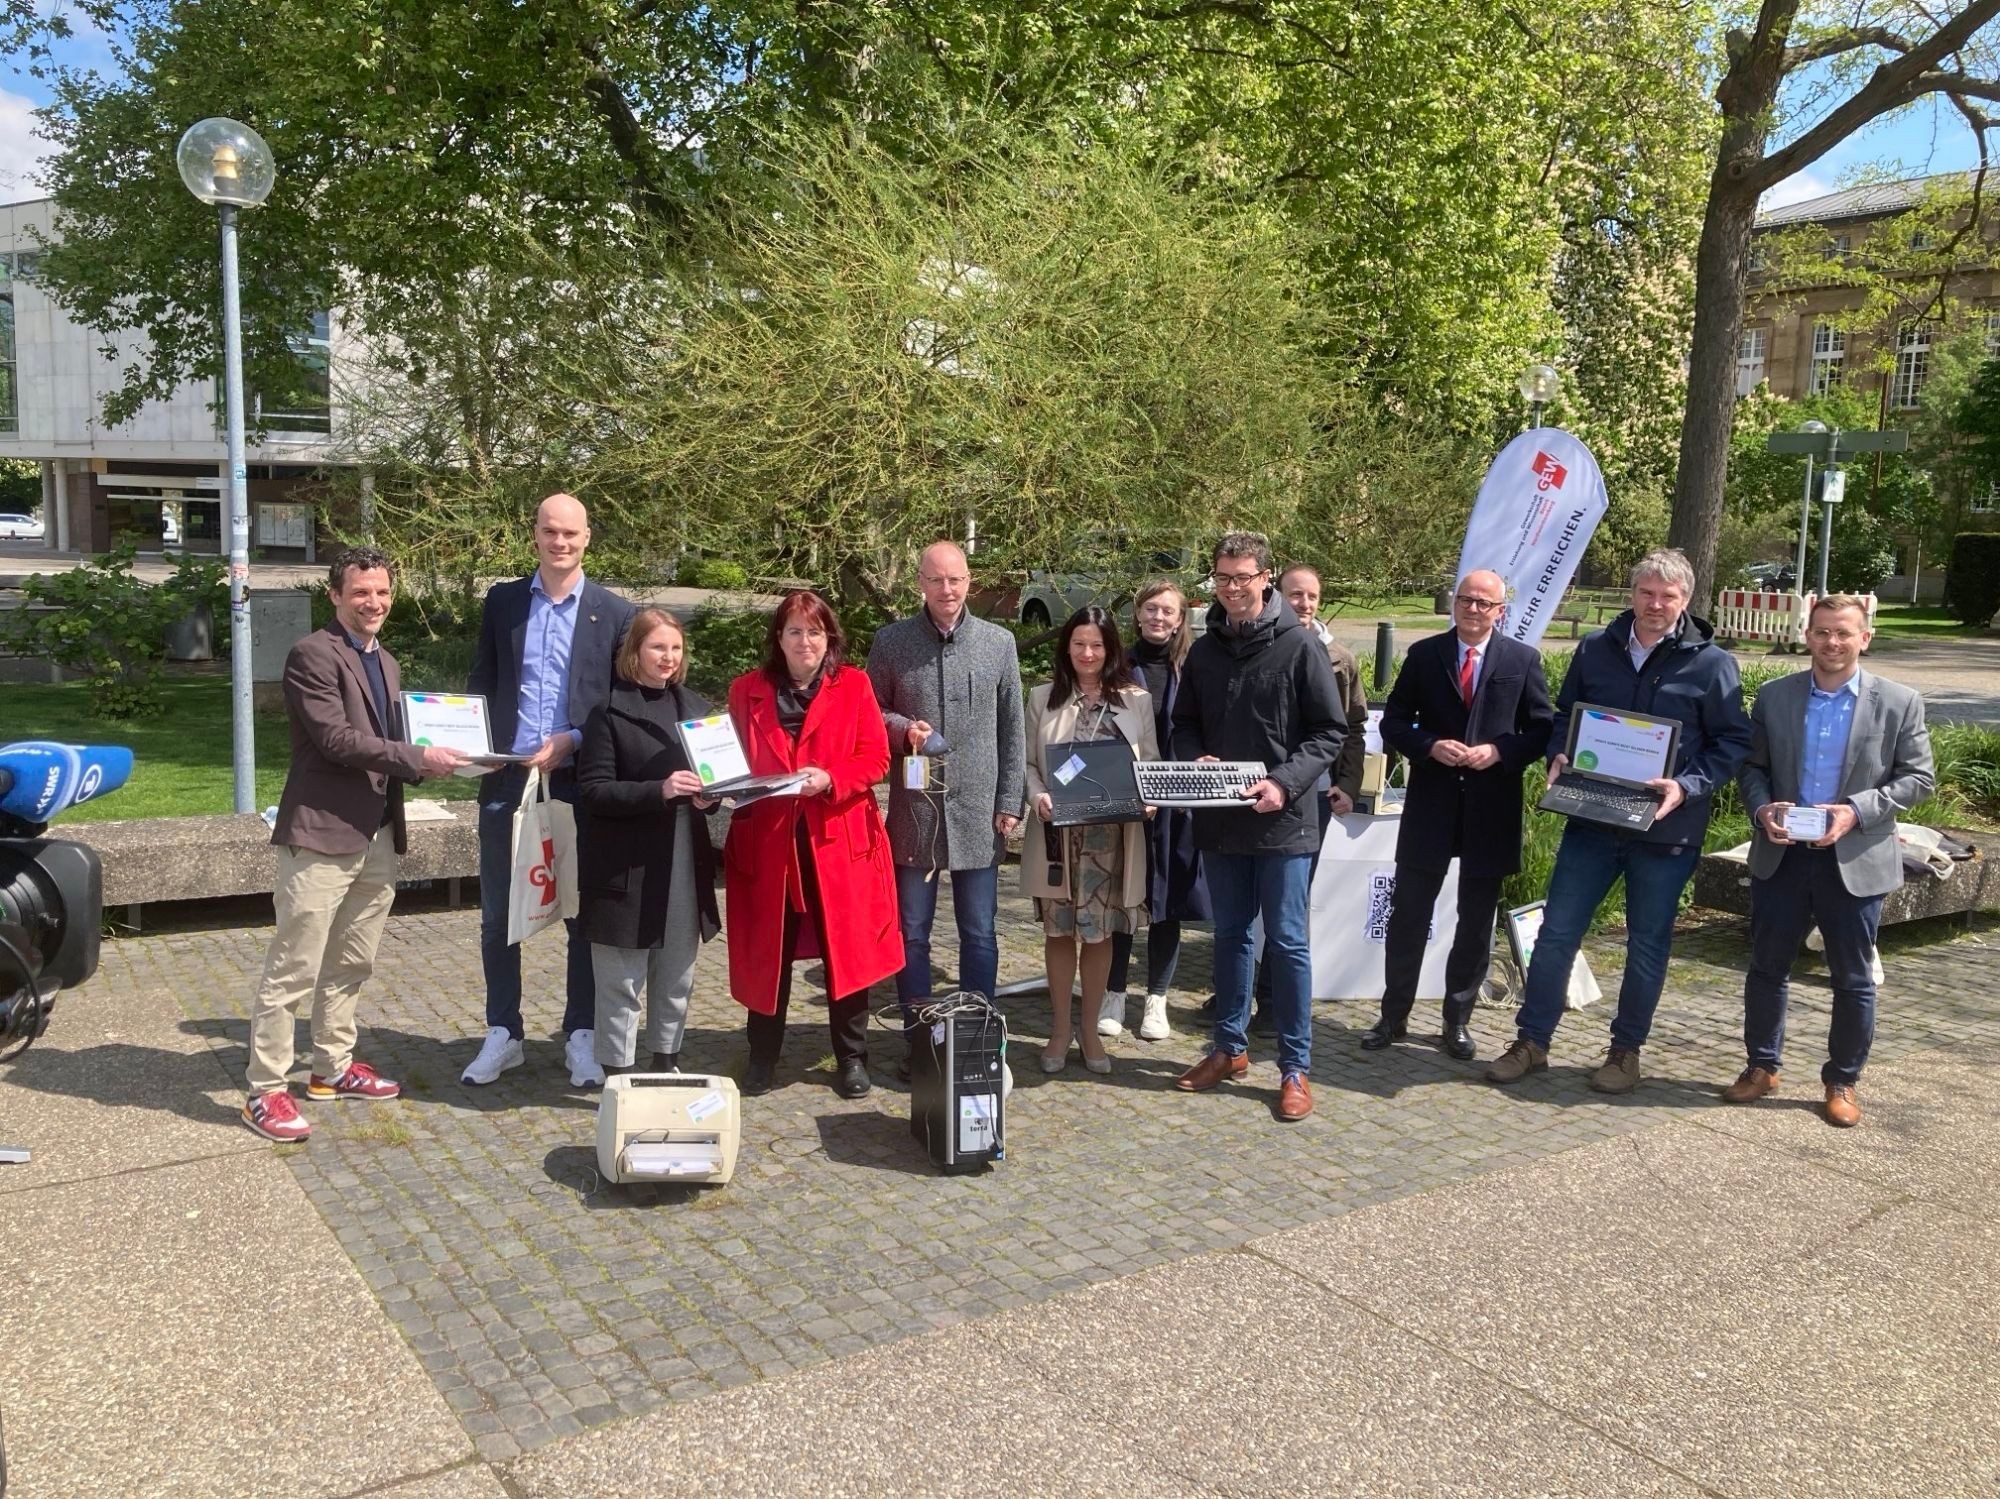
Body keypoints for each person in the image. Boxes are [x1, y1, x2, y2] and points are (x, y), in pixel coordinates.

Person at [1487, 547, 1752, 1091]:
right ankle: (1532, 1041)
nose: (1656, 605)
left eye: (1668, 596)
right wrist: (1558, 754)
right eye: (1646, 594)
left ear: (1686, 600)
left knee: (1648, 944)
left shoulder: (1712, 663)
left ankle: (1625, 1052)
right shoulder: (1595, 650)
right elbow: (1566, 717)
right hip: (1592, 818)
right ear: (1632, 596)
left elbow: (1733, 743)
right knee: (1557, 933)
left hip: (1665, 829)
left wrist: (1686, 785)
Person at [242, 547, 468, 1142]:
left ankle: (331, 1068)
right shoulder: (312, 655)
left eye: (383, 593)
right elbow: (338, 740)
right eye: (361, 592)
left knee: (352, 963)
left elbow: (391, 736)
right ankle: (265, 1090)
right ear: (336, 596)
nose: (374, 603)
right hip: (321, 833)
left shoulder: (385, 661)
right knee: (294, 967)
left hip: (376, 835)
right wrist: (421, 756)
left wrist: (448, 750)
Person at [1727, 595, 1933, 1128]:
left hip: (1855, 857)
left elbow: (1918, 778)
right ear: (1807, 636)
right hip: (1783, 856)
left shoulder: (1900, 701)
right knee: (1767, 969)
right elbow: (1751, 768)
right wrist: (1761, 806)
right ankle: (1762, 1066)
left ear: (1865, 637)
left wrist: (1855, 812)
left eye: (1843, 633)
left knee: (1853, 979)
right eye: (1821, 632)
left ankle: (1841, 1080)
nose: (1831, 643)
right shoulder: (1774, 697)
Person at [461, 493, 635, 1090]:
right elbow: (483, 680)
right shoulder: (503, 601)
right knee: (496, 913)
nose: (560, 542)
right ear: (533, 535)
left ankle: (580, 1033)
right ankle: (502, 1031)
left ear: (588, 538)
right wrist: (468, 740)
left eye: (571, 533)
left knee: (578, 913)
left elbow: (618, 704)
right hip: (507, 777)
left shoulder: (614, 612)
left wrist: (575, 738)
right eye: (550, 532)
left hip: (577, 780)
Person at [1171, 531, 1344, 1123]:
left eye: (1243, 577)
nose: (1233, 589)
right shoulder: (1204, 650)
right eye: (1222, 578)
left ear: (1266, 577)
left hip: (1283, 822)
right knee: (1231, 937)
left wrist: (1283, 782)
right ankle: (1228, 1049)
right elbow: (1184, 723)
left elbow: (1329, 731)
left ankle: (1295, 1068)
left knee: (1288, 942)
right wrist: (1195, 757)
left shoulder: (1299, 645)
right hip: (1222, 821)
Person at [1367, 569, 1552, 1061]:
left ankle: (1457, 1021)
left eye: (1483, 603)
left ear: (1499, 611)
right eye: (1465, 600)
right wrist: (1428, 745)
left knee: (1474, 923)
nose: (1472, 610)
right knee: (1408, 916)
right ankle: (1393, 1016)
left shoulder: (1522, 659)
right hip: (1431, 804)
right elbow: (1393, 722)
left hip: (1491, 807)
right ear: (1454, 604)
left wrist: (1499, 751)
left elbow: (1541, 730)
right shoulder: (1424, 655)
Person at [726, 591, 902, 1098]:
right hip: (770, 842)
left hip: (837, 841)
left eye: (815, 632)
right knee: (768, 954)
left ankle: (851, 1057)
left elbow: (875, 759)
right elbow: (729, 765)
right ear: (778, 639)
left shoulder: (855, 686)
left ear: (830, 639)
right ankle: (762, 1057)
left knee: (845, 951)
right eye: (795, 632)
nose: (806, 642)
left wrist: (830, 777)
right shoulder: (746, 691)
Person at [865, 541, 1026, 1070]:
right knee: (912, 932)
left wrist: (1010, 801)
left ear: (969, 581)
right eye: (936, 580)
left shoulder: (999, 643)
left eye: (955, 580)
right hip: (917, 813)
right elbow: (872, 713)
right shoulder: (891, 642)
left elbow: (1013, 730)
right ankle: (917, 1039)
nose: (947, 590)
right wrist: (901, 729)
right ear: (921, 583)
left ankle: (979, 1039)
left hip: (980, 812)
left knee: (979, 932)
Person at [574, 609, 720, 1078]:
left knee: (677, 967)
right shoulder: (607, 712)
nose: (668, 658)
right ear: (634, 650)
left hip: (682, 851)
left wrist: (709, 799)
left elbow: (716, 783)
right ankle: (618, 1072)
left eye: (675, 649)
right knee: (621, 974)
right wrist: (658, 790)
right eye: (658, 647)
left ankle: (666, 1059)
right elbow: (594, 790)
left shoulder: (697, 709)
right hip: (625, 860)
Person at [1025, 605, 1159, 1074]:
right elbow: (1027, 764)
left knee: (1100, 936)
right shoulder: (1043, 698)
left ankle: (1090, 1031)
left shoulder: (1134, 700)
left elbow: (1151, 766)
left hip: (1112, 839)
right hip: (1059, 838)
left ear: (1110, 649)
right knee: (1059, 931)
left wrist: (1149, 799)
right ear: (1067, 647)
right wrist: (1038, 795)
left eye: (1097, 644)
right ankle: (1059, 1030)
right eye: (1079, 643)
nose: (1087, 653)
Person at [1100, 580, 1209, 1042]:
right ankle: (1113, 994)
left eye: (1168, 611)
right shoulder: (1118, 665)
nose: (1158, 617)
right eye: (1150, 609)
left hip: (1176, 804)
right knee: (1126, 897)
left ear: (1181, 618)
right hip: (1128, 798)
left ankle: (1156, 1001)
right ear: (1138, 614)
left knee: (1167, 903)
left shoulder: (1196, 665)